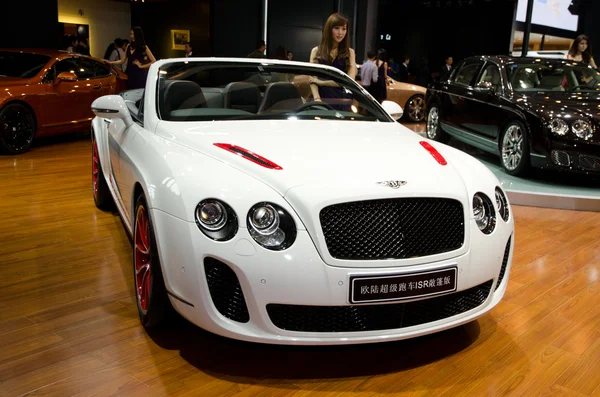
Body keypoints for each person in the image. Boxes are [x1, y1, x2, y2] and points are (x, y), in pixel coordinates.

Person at [309, 13, 357, 109]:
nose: (340, 32)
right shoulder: (316, 51)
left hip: (342, 100)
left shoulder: (350, 53)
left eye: (344, 29)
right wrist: (317, 99)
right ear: (329, 29)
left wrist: (322, 82)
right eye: (337, 28)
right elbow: (312, 79)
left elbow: (349, 81)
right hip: (320, 100)